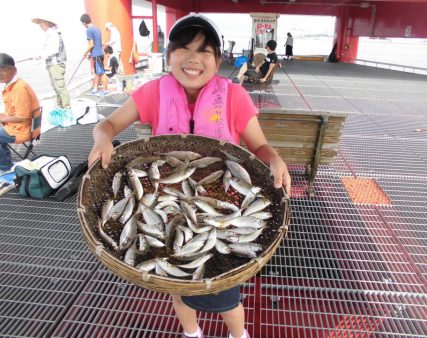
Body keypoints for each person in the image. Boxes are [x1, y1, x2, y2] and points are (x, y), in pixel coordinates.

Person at [87, 14, 291, 338]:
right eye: (183, 49)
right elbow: (107, 126)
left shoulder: (234, 96)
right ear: (168, 57)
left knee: (226, 296)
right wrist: (102, 139)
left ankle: (239, 335)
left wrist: (275, 158)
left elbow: (261, 146)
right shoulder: (153, 93)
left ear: (218, 60)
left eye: (204, 51)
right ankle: (191, 333)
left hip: (224, 197)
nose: (193, 58)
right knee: (179, 287)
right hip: (165, 199)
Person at [0, 53, 40, 174]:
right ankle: (5, 161)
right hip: (24, 126)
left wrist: (3, 118)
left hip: (23, 130)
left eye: (2, 70)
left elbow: (22, 117)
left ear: (14, 70)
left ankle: (5, 167)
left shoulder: (19, 89)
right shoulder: (15, 84)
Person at [31, 16, 71, 111]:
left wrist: (41, 56)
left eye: (42, 22)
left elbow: (54, 50)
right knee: (55, 87)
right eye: (39, 23)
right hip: (51, 64)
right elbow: (47, 50)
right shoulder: (50, 35)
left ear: (48, 22)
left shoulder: (54, 34)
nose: (40, 25)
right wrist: (40, 56)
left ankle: (67, 109)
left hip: (56, 64)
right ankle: (61, 107)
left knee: (60, 87)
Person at [80, 13, 105, 95]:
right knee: (99, 72)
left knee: (99, 72)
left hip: (97, 54)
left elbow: (91, 44)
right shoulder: (97, 29)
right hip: (100, 53)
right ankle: (96, 88)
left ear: (84, 22)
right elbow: (99, 43)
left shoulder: (89, 30)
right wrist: (90, 54)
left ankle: (99, 89)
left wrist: (84, 54)